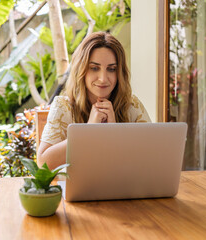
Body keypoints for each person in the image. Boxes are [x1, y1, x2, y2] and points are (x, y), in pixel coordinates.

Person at [37, 32, 151, 169]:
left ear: (119, 73)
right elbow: (43, 164)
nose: (103, 78)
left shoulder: (131, 105)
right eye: (94, 68)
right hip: (78, 190)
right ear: (82, 69)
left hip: (122, 189)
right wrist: (87, 131)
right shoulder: (63, 106)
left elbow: (151, 157)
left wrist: (115, 133)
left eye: (111, 69)